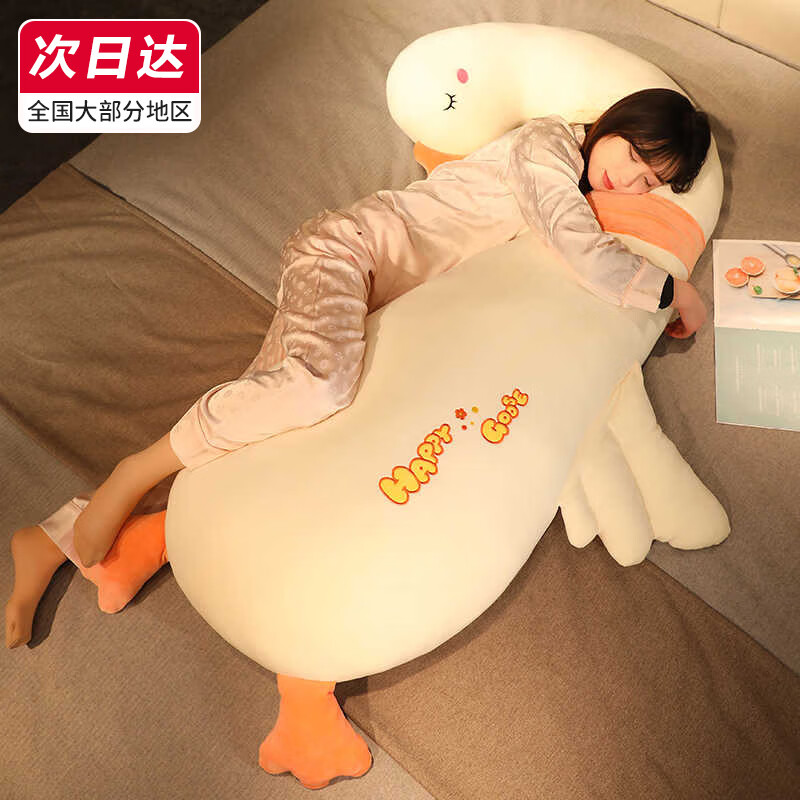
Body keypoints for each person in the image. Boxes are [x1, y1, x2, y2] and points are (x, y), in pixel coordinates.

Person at [5, 88, 711, 648]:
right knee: (319, 387)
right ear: (610, 123)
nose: (629, 181)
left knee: (270, 415)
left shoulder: (572, 180)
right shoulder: (548, 146)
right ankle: (133, 474)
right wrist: (669, 290)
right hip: (347, 253)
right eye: (632, 155)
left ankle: (58, 536)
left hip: (377, 294)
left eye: (651, 181)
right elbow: (573, 239)